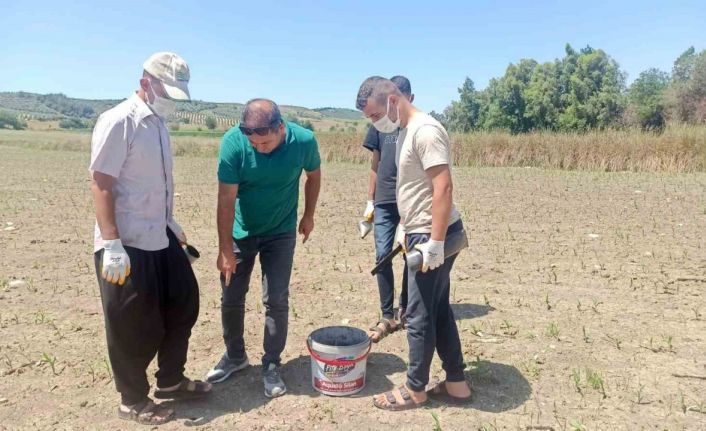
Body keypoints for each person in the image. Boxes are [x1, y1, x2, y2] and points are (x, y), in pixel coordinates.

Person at [89, 52, 211, 426]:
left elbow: (153, 185)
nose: (172, 102)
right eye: (167, 92)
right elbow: (102, 184)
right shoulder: (118, 121)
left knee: (183, 302)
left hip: (160, 235)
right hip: (126, 243)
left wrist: (171, 225)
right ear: (146, 83)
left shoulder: (158, 124)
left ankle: (171, 380)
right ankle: (132, 399)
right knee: (131, 323)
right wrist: (111, 244)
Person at [356, 77, 472, 411]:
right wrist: (404, 228)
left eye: (375, 114)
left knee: (418, 316)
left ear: (393, 100)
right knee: (438, 309)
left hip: (434, 235)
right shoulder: (404, 131)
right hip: (419, 231)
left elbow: (443, 187)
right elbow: (415, 188)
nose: (375, 122)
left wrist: (434, 242)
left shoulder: (425, 130)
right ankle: (457, 384)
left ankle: (415, 389)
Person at [208, 99, 321, 398]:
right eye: (253, 143)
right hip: (241, 232)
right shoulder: (233, 143)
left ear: (280, 128)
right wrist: (225, 249)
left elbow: (314, 175)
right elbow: (226, 199)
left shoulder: (304, 141)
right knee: (231, 294)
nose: (259, 148)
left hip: (280, 232)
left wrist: (308, 214)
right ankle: (235, 356)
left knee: (276, 299)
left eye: (266, 143)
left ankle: (271, 363)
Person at [362, 76, 414, 343]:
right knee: (383, 255)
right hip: (383, 201)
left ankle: (405, 309)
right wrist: (369, 201)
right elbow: (375, 163)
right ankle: (386, 313)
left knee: (408, 255)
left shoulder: (413, 126)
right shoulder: (379, 126)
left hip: (408, 202)